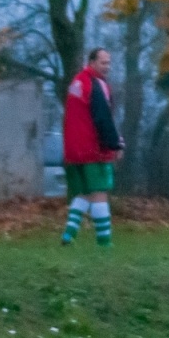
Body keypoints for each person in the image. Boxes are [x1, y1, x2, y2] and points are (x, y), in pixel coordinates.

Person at [60, 48, 124, 247]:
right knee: (99, 192)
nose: (108, 67)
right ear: (92, 62)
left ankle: (68, 235)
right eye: (104, 63)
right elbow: (102, 117)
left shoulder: (77, 82)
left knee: (84, 192)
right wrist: (115, 144)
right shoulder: (95, 85)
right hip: (92, 148)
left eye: (109, 62)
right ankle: (104, 243)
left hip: (74, 149)